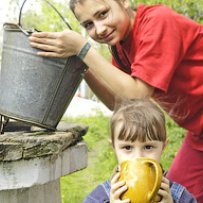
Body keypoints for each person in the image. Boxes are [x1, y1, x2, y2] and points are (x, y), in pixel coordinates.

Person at [29, 0, 203, 201]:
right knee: (171, 196)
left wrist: (83, 49)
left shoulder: (158, 22)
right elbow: (120, 104)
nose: (100, 29)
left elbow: (137, 94)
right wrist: (82, 66)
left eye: (103, 14)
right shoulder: (121, 48)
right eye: (88, 25)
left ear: (124, 1)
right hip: (198, 132)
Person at [83, 98, 197, 203]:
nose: (138, 156)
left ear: (163, 147)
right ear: (114, 147)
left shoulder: (179, 196)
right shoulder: (99, 198)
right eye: (127, 147)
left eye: (148, 147)